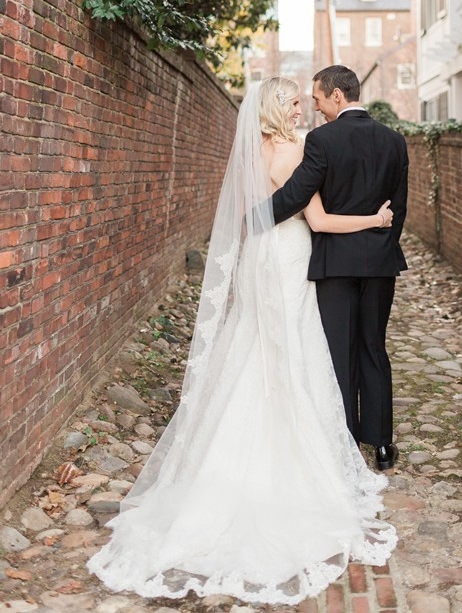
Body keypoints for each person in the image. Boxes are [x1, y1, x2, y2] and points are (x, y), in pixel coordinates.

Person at [87, 77, 397, 606]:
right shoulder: (302, 149)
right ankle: (304, 451)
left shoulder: (250, 152)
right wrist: (377, 217)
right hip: (294, 256)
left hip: (262, 256)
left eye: (306, 100)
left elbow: (250, 216)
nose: (304, 109)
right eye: (295, 102)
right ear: (279, 109)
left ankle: (228, 455)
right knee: (296, 349)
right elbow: (317, 218)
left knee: (256, 345)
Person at [270, 65, 409, 472]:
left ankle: (347, 438)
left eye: (316, 99)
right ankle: (382, 446)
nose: (314, 108)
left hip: (335, 262)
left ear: (336, 96)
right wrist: (381, 243)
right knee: (373, 346)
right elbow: (397, 208)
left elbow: (298, 192)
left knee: (339, 351)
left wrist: (255, 217)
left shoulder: (322, 139)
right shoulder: (394, 141)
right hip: (379, 261)